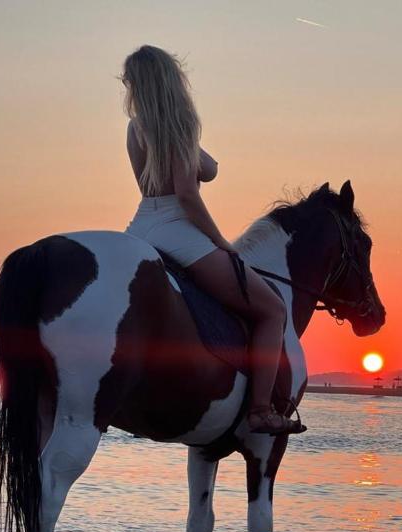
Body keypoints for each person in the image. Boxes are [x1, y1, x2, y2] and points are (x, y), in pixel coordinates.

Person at [122, 44, 299, 435]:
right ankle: (259, 409)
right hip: (178, 226)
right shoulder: (182, 122)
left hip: (141, 224)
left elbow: (159, 181)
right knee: (271, 309)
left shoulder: (135, 128)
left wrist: (205, 164)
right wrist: (220, 240)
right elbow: (186, 193)